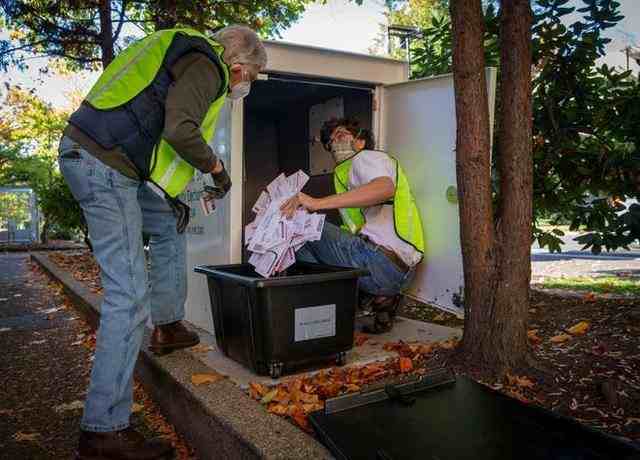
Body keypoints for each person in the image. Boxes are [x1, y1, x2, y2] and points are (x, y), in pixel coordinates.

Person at [59, 25, 267, 459]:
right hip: (105, 165)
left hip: (107, 160)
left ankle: (169, 325)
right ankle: (103, 432)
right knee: (129, 298)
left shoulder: (180, 47)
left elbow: (151, 122)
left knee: (170, 221)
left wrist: (168, 195)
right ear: (239, 64)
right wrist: (216, 170)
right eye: (249, 74)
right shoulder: (208, 63)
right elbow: (179, 129)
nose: (244, 83)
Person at [281, 118, 425, 334]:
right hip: (402, 274)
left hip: (378, 262)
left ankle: (325, 313)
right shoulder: (353, 174)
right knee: (319, 232)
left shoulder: (366, 157)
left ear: (360, 141)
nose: (334, 144)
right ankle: (379, 298)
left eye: (340, 135)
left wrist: (315, 203)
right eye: (331, 142)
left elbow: (384, 189)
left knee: (297, 229)